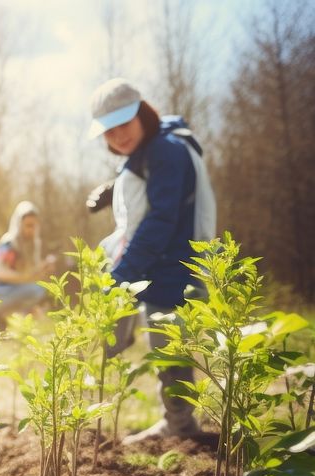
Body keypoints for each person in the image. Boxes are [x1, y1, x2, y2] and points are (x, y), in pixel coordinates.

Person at [86, 78, 216, 445]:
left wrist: (122, 274)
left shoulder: (166, 150)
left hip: (174, 267)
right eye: (109, 131)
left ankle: (180, 428)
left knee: (170, 350)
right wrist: (112, 188)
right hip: (158, 266)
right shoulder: (152, 150)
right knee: (164, 350)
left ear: (143, 114)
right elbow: (149, 178)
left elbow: (161, 218)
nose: (118, 136)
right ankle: (176, 423)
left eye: (124, 124)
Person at [0, 201, 56, 329]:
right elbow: (1, 274)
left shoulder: (30, 245)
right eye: (28, 225)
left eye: (34, 226)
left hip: (11, 293)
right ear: (19, 225)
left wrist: (43, 268)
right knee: (36, 290)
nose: (31, 230)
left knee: (40, 289)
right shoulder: (8, 243)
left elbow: (28, 275)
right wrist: (27, 277)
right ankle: (2, 317)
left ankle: (13, 325)